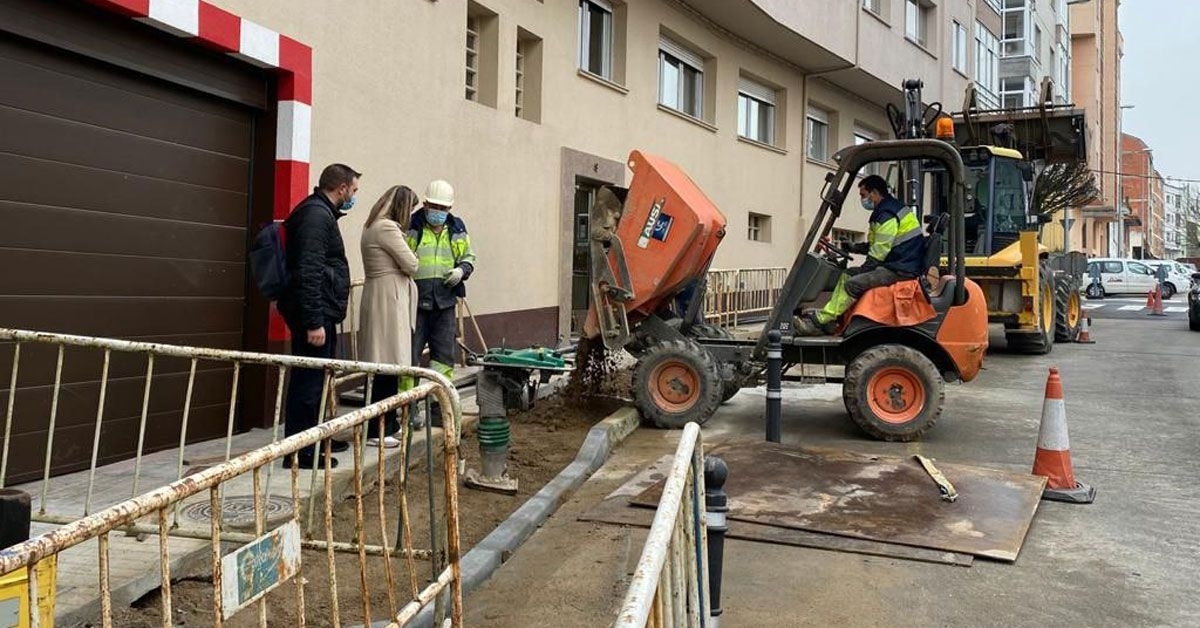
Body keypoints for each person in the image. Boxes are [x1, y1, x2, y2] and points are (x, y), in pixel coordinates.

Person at [278, 163, 359, 469]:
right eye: (353, 191)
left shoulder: (321, 212)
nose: (353, 196)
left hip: (322, 310)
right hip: (314, 314)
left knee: (320, 378)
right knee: (308, 382)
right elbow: (308, 271)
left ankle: (318, 435)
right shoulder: (315, 216)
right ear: (341, 188)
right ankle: (301, 452)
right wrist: (314, 321)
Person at [794, 174, 925, 336]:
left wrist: (866, 268)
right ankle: (833, 320)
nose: (862, 199)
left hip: (900, 269)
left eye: (863, 195)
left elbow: (880, 249)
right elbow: (875, 245)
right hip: (899, 264)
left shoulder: (887, 214)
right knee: (848, 275)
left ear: (874, 192)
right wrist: (852, 247)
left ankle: (820, 320)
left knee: (853, 284)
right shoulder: (887, 210)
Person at [406, 180, 476, 425]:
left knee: (443, 360)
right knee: (410, 358)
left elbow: (468, 257)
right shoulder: (412, 225)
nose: (438, 212)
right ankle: (409, 409)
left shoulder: (456, 227)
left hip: (445, 302)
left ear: (449, 208)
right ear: (425, 205)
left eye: (443, 208)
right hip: (416, 302)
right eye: (434, 206)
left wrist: (462, 270)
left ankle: (437, 410)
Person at [359, 185, 420, 448]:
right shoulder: (386, 228)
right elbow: (412, 264)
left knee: (384, 362)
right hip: (388, 299)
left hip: (382, 295)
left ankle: (386, 425)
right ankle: (378, 430)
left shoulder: (372, 225)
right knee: (386, 363)